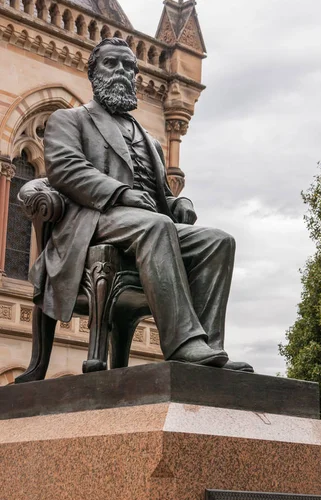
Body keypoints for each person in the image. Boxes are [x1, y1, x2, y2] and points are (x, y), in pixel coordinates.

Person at [31, 37, 253, 371]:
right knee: (157, 226)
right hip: (94, 220)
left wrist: (180, 204)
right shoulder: (70, 119)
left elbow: (162, 192)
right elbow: (65, 170)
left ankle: (208, 348)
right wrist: (120, 194)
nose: (122, 71)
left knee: (218, 241)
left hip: (146, 224)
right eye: (112, 63)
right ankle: (183, 344)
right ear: (93, 74)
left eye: (129, 66)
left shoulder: (149, 139)